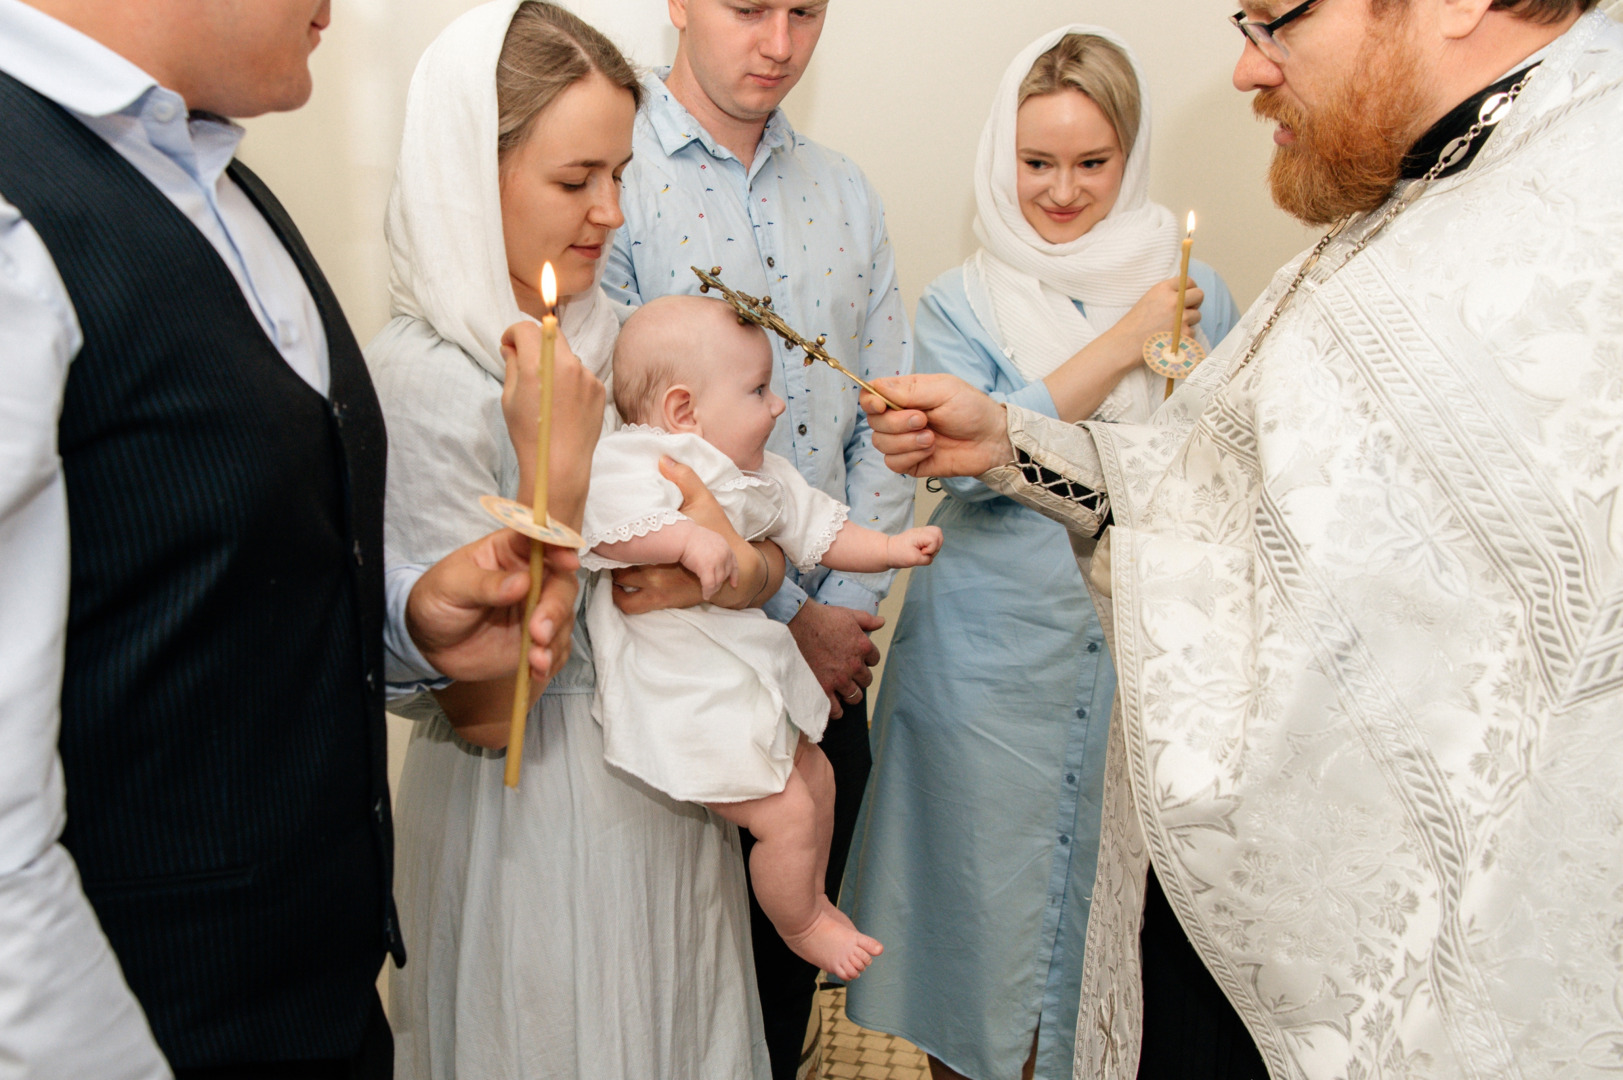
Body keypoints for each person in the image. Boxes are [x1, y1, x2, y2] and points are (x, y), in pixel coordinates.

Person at [860, 0, 1623, 1077]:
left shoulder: (1585, 202)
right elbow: (1204, 487)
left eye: (1277, 20)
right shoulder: (1431, 190)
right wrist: (1009, 441)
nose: (1243, 70)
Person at [0, 0, 581, 1076]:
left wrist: (409, 620)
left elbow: (189, 564)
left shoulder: (220, 183)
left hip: (315, 993)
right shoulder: (17, 212)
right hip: (139, 1019)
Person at [365, 4, 778, 1076]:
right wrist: (558, 473)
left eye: (619, 175)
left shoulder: (618, 338)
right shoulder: (426, 377)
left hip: (670, 801)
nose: (610, 212)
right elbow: (481, 709)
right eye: (573, 180)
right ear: (470, 173)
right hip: (532, 827)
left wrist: (737, 572)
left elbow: (747, 532)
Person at [837, 26, 1239, 1080]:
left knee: (1121, 971)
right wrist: (1125, 340)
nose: (1061, 192)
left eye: (1092, 164)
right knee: (975, 961)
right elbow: (969, 461)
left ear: (1132, 158)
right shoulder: (959, 304)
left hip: (1138, 675)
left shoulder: (1201, 294)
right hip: (983, 680)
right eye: (1037, 162)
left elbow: (1223, 474)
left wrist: (1173, 341)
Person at [604, 2, 915, 1068]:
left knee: (785, 1013)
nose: (779, 43)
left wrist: (846, 614)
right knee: (671, 1013)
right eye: (747, 7)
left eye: (806, 11)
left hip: (831, 673)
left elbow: (885, 426)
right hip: (680, 676)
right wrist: (791, 608)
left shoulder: (846, 192)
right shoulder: (612, 173)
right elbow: (615, 452)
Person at [579, 295, 941, 982]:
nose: (777, 407)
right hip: (677, 690)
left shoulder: (760, 474)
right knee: (783, 814)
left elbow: (824, 531)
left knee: (819, 777)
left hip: (739, 671)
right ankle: (799, 923)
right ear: (684, 412)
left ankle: (812, 900)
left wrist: (891, 547)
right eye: (757, 391)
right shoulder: (638, 458)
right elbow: (601, 524)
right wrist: (686, 537)